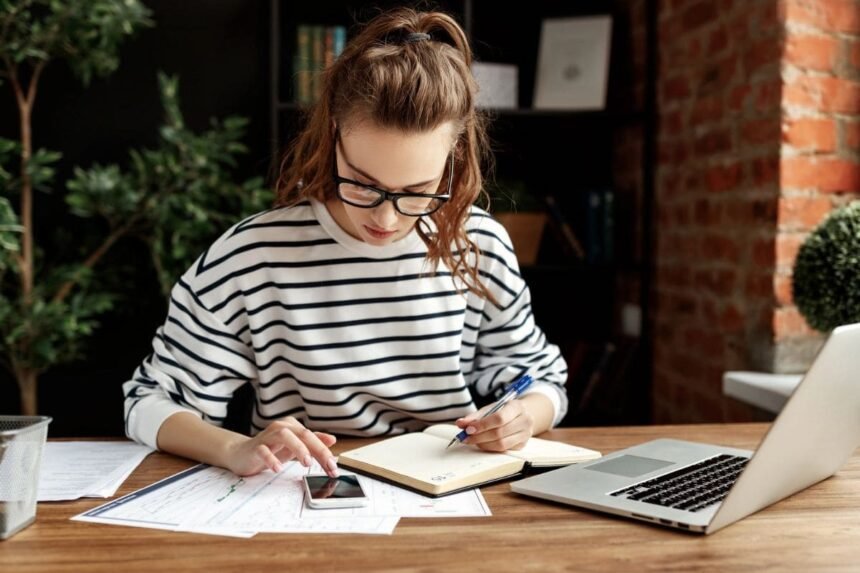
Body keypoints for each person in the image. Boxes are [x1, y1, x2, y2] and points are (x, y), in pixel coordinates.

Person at [123, 7, 568, 479]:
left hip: (453, 491)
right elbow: (148, 401)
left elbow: (541, 379)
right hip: (305, 493)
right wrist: (236, 448)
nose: (385, 217)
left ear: (454, 156)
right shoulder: (252, 257)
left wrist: (524, 417)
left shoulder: (479, 244)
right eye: (363, 183)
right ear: (333, 134)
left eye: (417, 192)